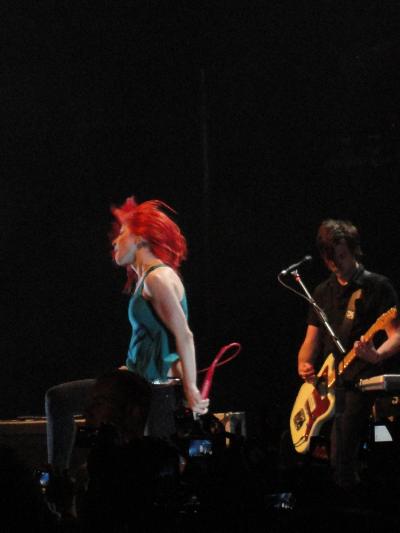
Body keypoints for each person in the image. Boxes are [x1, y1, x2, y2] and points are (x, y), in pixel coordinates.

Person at [45, 196, 209, 478]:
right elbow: (157, 338)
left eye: (122, 233)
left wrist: (191, 389)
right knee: (62, 401)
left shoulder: (157, 278)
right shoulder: (151, 277)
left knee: (59, 399)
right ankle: (66, 476)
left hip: (146, 388)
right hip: (135, 381)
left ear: (140, 239)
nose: (115, 242)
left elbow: (184, 334)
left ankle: (59, 478)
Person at [297, 219, 400, 493]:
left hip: (361, 381)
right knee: (305, 452)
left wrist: (376, 355)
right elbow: (310, 341)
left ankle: (351, 499)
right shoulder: (322, 292)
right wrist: (303, 363)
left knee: (342, 453)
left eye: (342, 256)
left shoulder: (377, 286)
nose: (337, 264)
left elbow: (396, 334)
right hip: (328, 384)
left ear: (354, 250)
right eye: (330, 259)